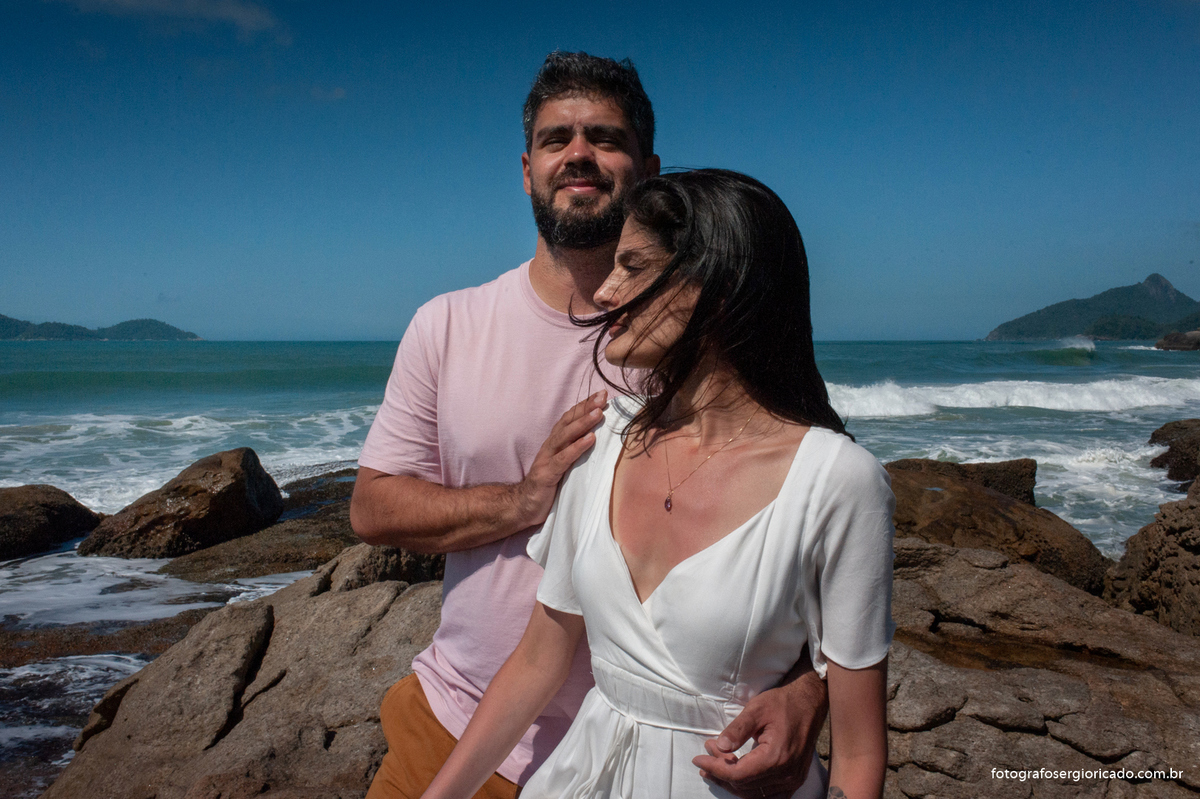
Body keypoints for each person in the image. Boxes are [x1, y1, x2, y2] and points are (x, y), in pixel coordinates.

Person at [352, 53, 830, 799]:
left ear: (649, 167)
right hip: (455, 721)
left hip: (654, 758)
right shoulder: (447, 325)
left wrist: (807, 687)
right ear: (526, 168)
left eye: (604, 137)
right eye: (556, 139)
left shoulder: (701, 345)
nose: (578, 154)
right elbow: (372, 506)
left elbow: (807, 532)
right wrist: (520, 499)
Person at [419, 169, 895, 799]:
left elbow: (860, 755)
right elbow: (539, 660)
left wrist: (809, 687)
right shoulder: (602, 443)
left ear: (716, 288)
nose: (604, 292)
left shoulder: (839, 483)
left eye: (633, 266)